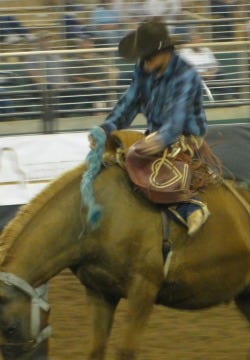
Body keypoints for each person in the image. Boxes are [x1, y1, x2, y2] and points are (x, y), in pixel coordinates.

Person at [87, 18, 218, 236]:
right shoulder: (143, 69)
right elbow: (128, 104)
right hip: (157, 133)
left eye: (148, 56)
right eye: (142, 56)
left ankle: (190, 206)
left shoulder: (186, 75)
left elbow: (177, 119)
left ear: (164, 51)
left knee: (145, 162)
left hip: (186, 137)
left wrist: (160, 140)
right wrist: (106, 128)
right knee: (116, 160)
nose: (144, 61)